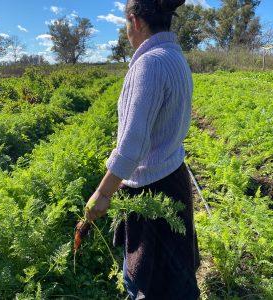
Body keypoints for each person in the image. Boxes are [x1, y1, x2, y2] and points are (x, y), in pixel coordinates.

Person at [77, 0, 200, 299]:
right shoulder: (174, 57)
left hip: (150, 192)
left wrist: (103, 193)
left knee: (145, 283)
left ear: (135, 21)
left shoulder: (149, 63)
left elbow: (133, 144)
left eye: (125, 25)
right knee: (174, 279)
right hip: (173, 178)